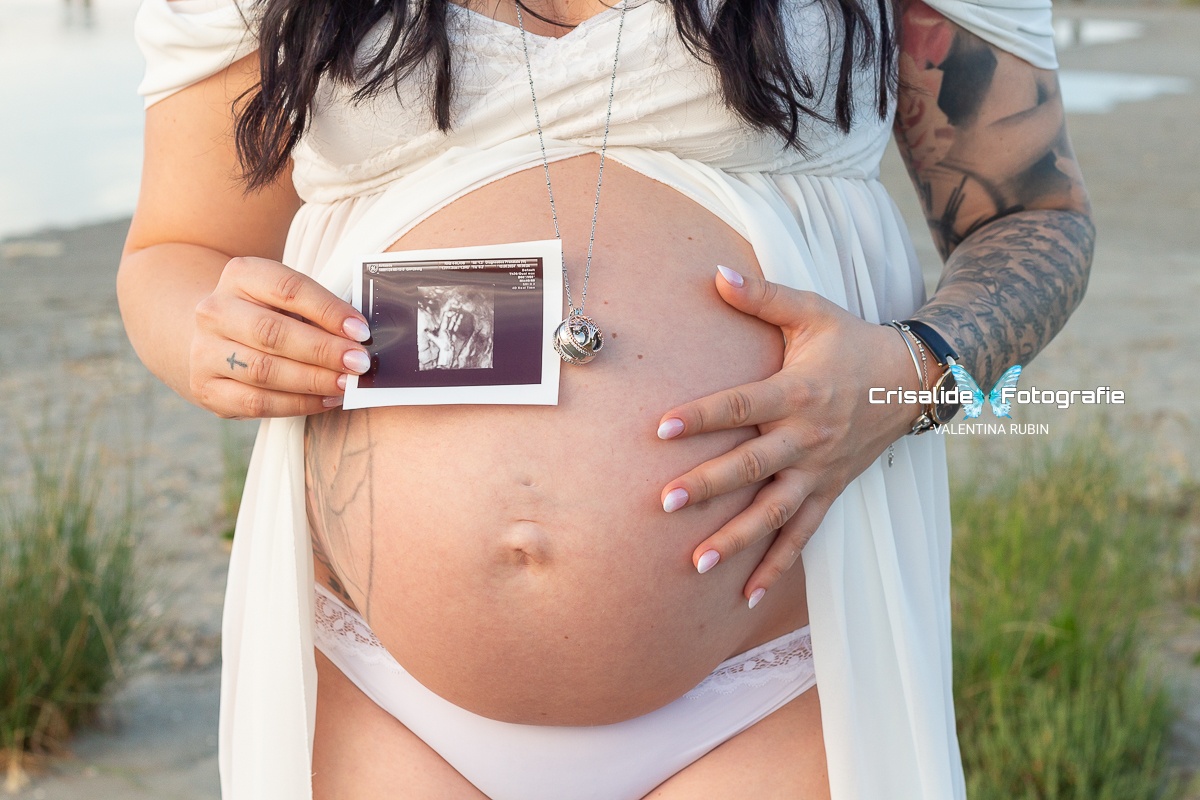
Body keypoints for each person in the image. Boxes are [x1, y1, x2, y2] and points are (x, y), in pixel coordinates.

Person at [118, 0, 1092, 797]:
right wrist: (208, 331)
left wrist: (907, 374)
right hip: (373, 682)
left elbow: (1037, 217)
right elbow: (177, 250)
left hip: (777, 669)